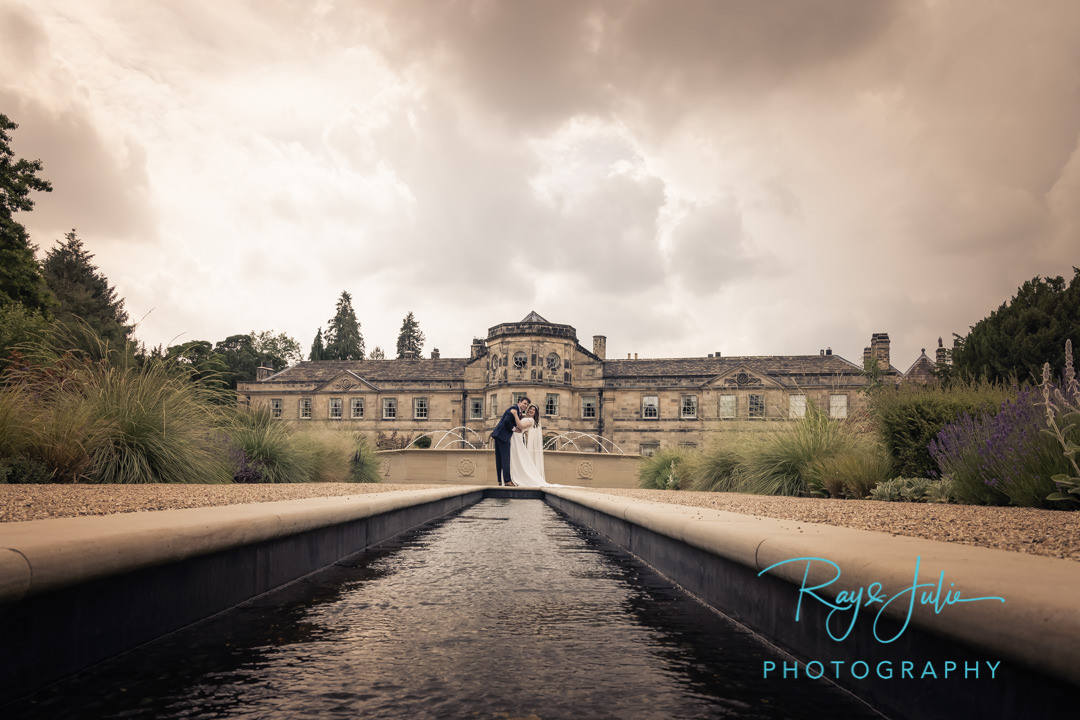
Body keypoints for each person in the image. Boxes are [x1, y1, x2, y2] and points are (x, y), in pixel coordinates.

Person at [490, 396, 529, 486]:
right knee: (505, 458)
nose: (526, 406)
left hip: (499, 435)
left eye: (527, 404)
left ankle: (500, 480)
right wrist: (514, 429)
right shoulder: (514, 409)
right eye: (524, 403)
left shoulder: (518, 411)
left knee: (499, 459)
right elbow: (507, 420)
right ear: (519, 402)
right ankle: (507, 481)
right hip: (503, 436)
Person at [509, 404, 549, 487]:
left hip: (517, 438)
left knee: (517, 458)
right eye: (530, 408)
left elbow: (521, 426)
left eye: (533, 410)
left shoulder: (531, 420)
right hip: (513, 436)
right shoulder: (524, 417)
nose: (531, 410)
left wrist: (515, 414)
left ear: (535, 413)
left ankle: (517, 477)